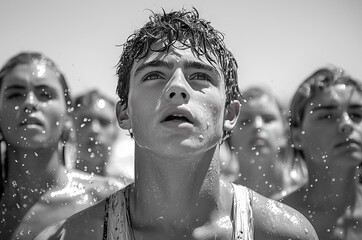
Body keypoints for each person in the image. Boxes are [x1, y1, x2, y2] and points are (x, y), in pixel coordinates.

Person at [34, 9, 318, 240]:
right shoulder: (72, 236)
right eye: (154, 75)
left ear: (230, 114)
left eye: (200, 77)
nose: (177, 89)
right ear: (124, 113)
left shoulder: (284, 233)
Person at [0, 52, 124, 240]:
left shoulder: (109, 200)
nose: (30, 103)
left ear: (68, 117)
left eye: (45, 94)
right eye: (15, 94)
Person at [281, 66, 362, 240]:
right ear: (297, 137)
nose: (346, 124)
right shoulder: (277, 218)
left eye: (357, 114)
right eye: (327, 116)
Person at [222, 86, 307, 199]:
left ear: (285, 132)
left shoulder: (305, 191)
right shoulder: (222, 196)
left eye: (268, 119)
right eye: (245, 121)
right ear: (229, 134)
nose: (257, 126)